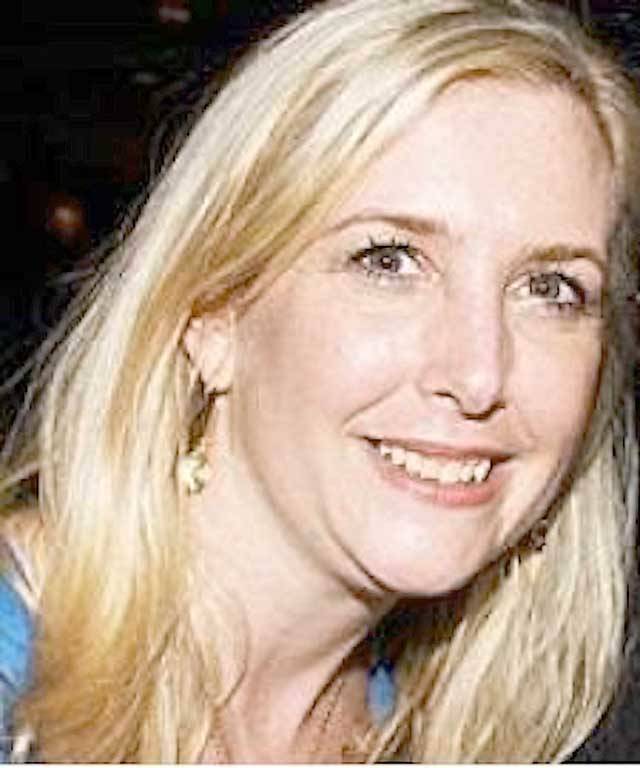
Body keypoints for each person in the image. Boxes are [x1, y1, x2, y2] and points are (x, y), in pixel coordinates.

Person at [0, 0, 639, 762]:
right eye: (389, 261)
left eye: (550, 289)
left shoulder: (469, 734)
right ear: (213, 311)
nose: (478, 375)